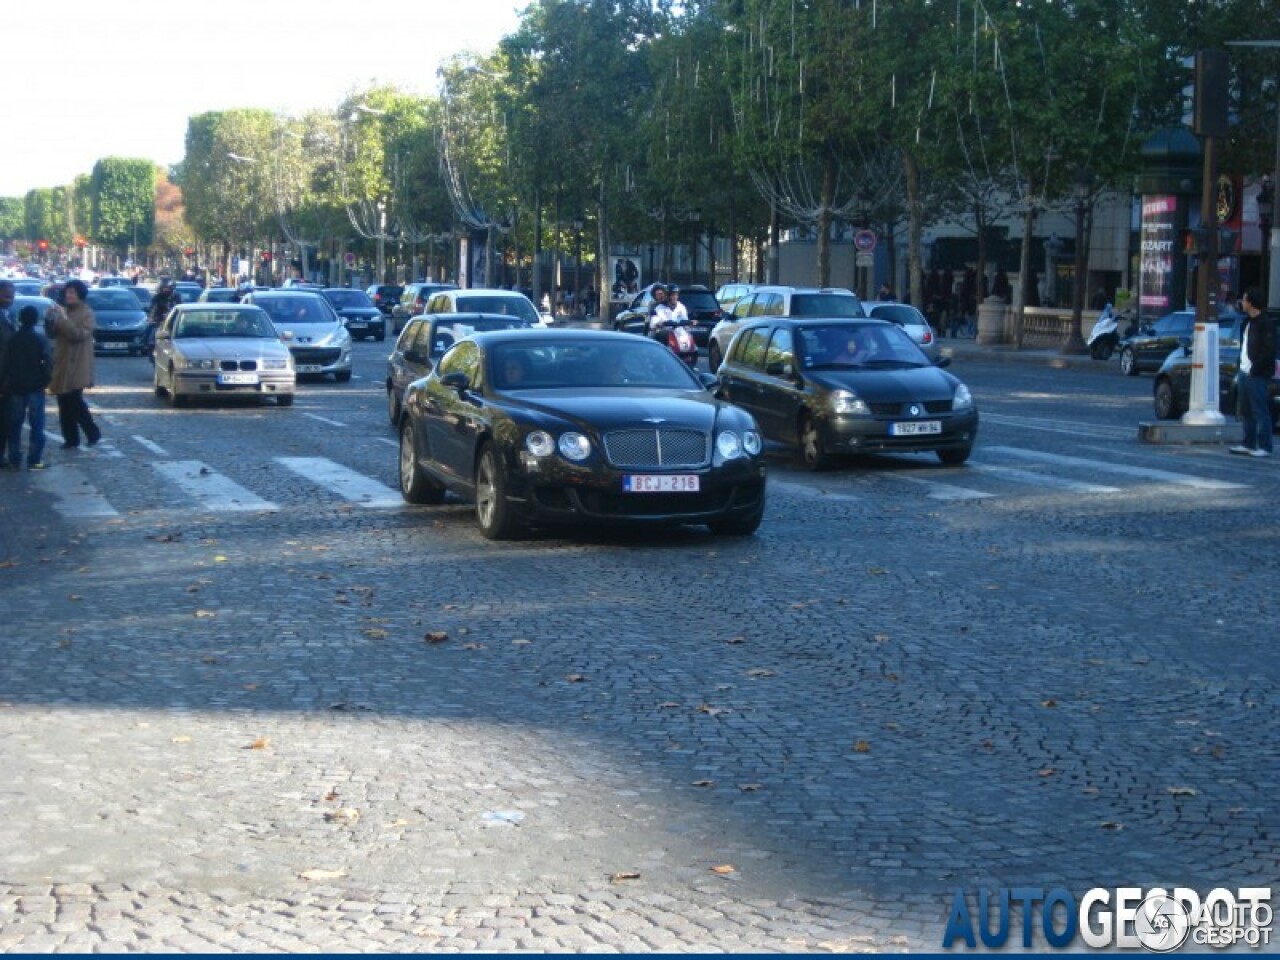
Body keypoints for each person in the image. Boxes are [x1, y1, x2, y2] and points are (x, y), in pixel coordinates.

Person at [46, 280, 102, 450]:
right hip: (63, 362)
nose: (68, 296)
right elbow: (51, 333)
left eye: (72, 293)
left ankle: (92, 432)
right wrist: (49, 318)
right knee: (63, 402)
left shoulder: (86, 313)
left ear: (79, 295)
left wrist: (62, 318)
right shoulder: (64, 311)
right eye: (67, 293)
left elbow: (77, 334)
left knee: (75, 401)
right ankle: (71, 439)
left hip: (78, 363)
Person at [1, 306, 52, 470]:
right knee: (37, 425)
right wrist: (45, 380)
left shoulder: (12, 339)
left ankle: (14, 458)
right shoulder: (40, 339)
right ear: (36, 320)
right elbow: (49, 362)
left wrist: (5, 382)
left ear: (20, 319)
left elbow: (5, 363)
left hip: (15, 387)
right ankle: (34, 459)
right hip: (35, 386)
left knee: (15, 425)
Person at [1229, 287, 1275, 458]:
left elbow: (1268, 350)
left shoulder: (1265, 323)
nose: (1242, 301)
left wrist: (1255, 369)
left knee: (1260, 410)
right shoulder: (1247, 322)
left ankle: (1265, 446)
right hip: (1244, 371)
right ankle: (1248, 443)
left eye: (1245, 299)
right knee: (1245, 410)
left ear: (1251, 302)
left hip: (1257, 374)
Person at [0, 281, 15, 468]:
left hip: (8, 377)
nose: (10, 299)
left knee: (5, 420)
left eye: (12, 296)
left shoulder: (10, 315)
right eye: (6, 295)